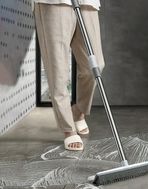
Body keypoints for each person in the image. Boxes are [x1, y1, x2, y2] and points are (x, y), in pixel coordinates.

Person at [32, 0, 105, 151]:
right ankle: (68, 128)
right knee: (58, 70)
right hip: (53, 3)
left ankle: (78, 111)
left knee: (94, 66)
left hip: (87, 3)